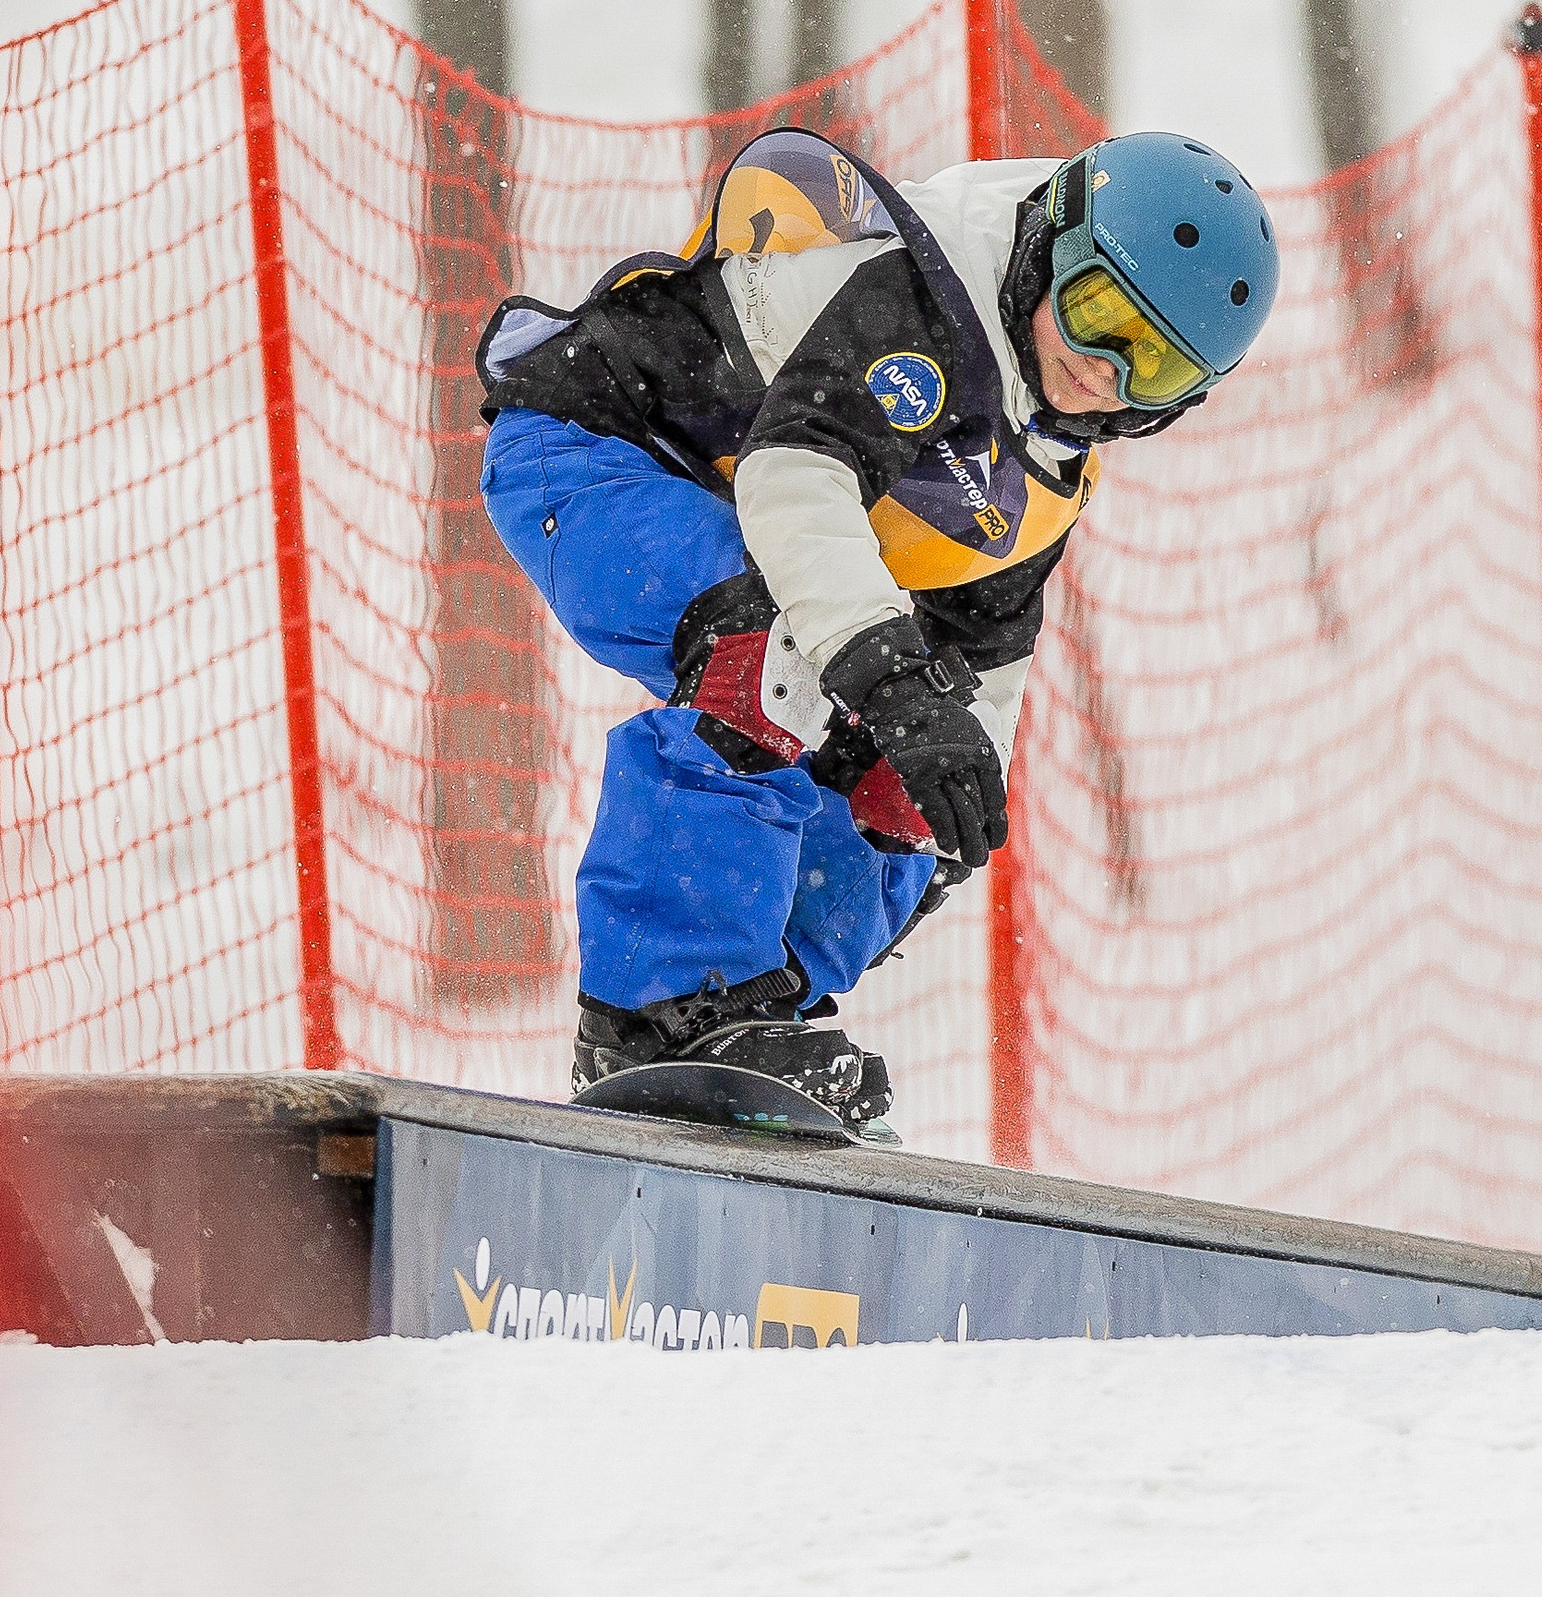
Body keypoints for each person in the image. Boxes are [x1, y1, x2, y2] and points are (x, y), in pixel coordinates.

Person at [476, 127, 1279, 1128]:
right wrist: (888, 680)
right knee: (781, 652)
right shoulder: (924, 295)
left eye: (1149, 368)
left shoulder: (1050, 464)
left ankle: (763, 1002)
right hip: (589, 456)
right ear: (1046, 246)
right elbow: (794, 477)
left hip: (737, 527)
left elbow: (983, 652)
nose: (1100, 369)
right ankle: (655, 1006)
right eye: (1097, 311)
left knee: (900, 780)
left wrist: (939, 802)